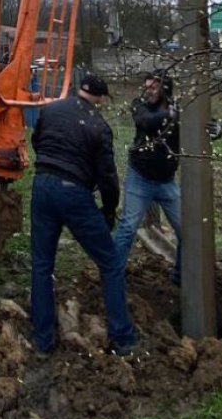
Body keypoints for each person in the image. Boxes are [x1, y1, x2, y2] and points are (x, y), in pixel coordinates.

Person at [29, 74, 139, 357]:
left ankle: (42, 342)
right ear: (100, 99)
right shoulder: (98, 126)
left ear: (80, 90)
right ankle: (123, 338)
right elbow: (107, 177)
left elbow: (36, 141)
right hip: (74, 193)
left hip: (42, 185)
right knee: (110, 263)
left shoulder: (51, 109)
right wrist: (108, 210)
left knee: (42, 266)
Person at [112, 69, 221, 285]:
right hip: (140, 178)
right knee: (127, 228)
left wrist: (216, 129)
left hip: (166, 182)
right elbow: (147, 121)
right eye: (147, 86)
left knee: (187, 231)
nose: (148, 91)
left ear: (165, 88)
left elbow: (202, 124)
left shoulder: (179, 111)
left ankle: (179, 276)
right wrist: (176, 114)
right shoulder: (139, 105)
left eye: (153, 87)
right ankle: (113, 276)